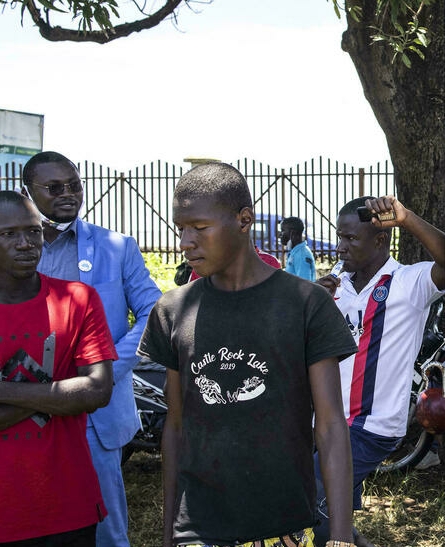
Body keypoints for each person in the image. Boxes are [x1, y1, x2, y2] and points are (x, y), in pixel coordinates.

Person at [137, 162, 359, 547]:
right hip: (199, 529)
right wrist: (169, 532)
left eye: (200, 228)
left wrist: (339, 537)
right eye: (181, 228)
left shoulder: (306, 304)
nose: (185, 241)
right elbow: (175, 429)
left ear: (244, 220)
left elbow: (329, 427)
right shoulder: (171, 310)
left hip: (282, 526)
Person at [21, 151, 162, 547]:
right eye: (54, 188)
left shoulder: (116, 247)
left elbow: (154, 309)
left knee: (105, 527)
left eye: (75, 186)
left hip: (93, 414)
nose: (68, 195)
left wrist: (107, 368)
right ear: (26, 190)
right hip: (23, 410)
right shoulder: (13, 249)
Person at [314, 195, 445, 547]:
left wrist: (408, 219)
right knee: (331, 511)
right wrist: (309, 304)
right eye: (339, 237)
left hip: (369, 427)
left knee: (314, 505)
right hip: (325, 423)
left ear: (380, 240)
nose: (341, 248)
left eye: (351, 239)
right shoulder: (331, 287)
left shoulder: (408, 284)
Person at [0, 191, 116, 546]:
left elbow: (97, 391)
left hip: (67, 506)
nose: (25, 244)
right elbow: (81, 391)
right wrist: (64, 392)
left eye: (33, 232)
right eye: (9, 234)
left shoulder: (79, 299)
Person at [280, 216, 318, 281]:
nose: (281, 234)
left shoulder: (301, 254)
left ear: (292, 233)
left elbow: (304, 284)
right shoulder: (296, 252)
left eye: (283, 230)